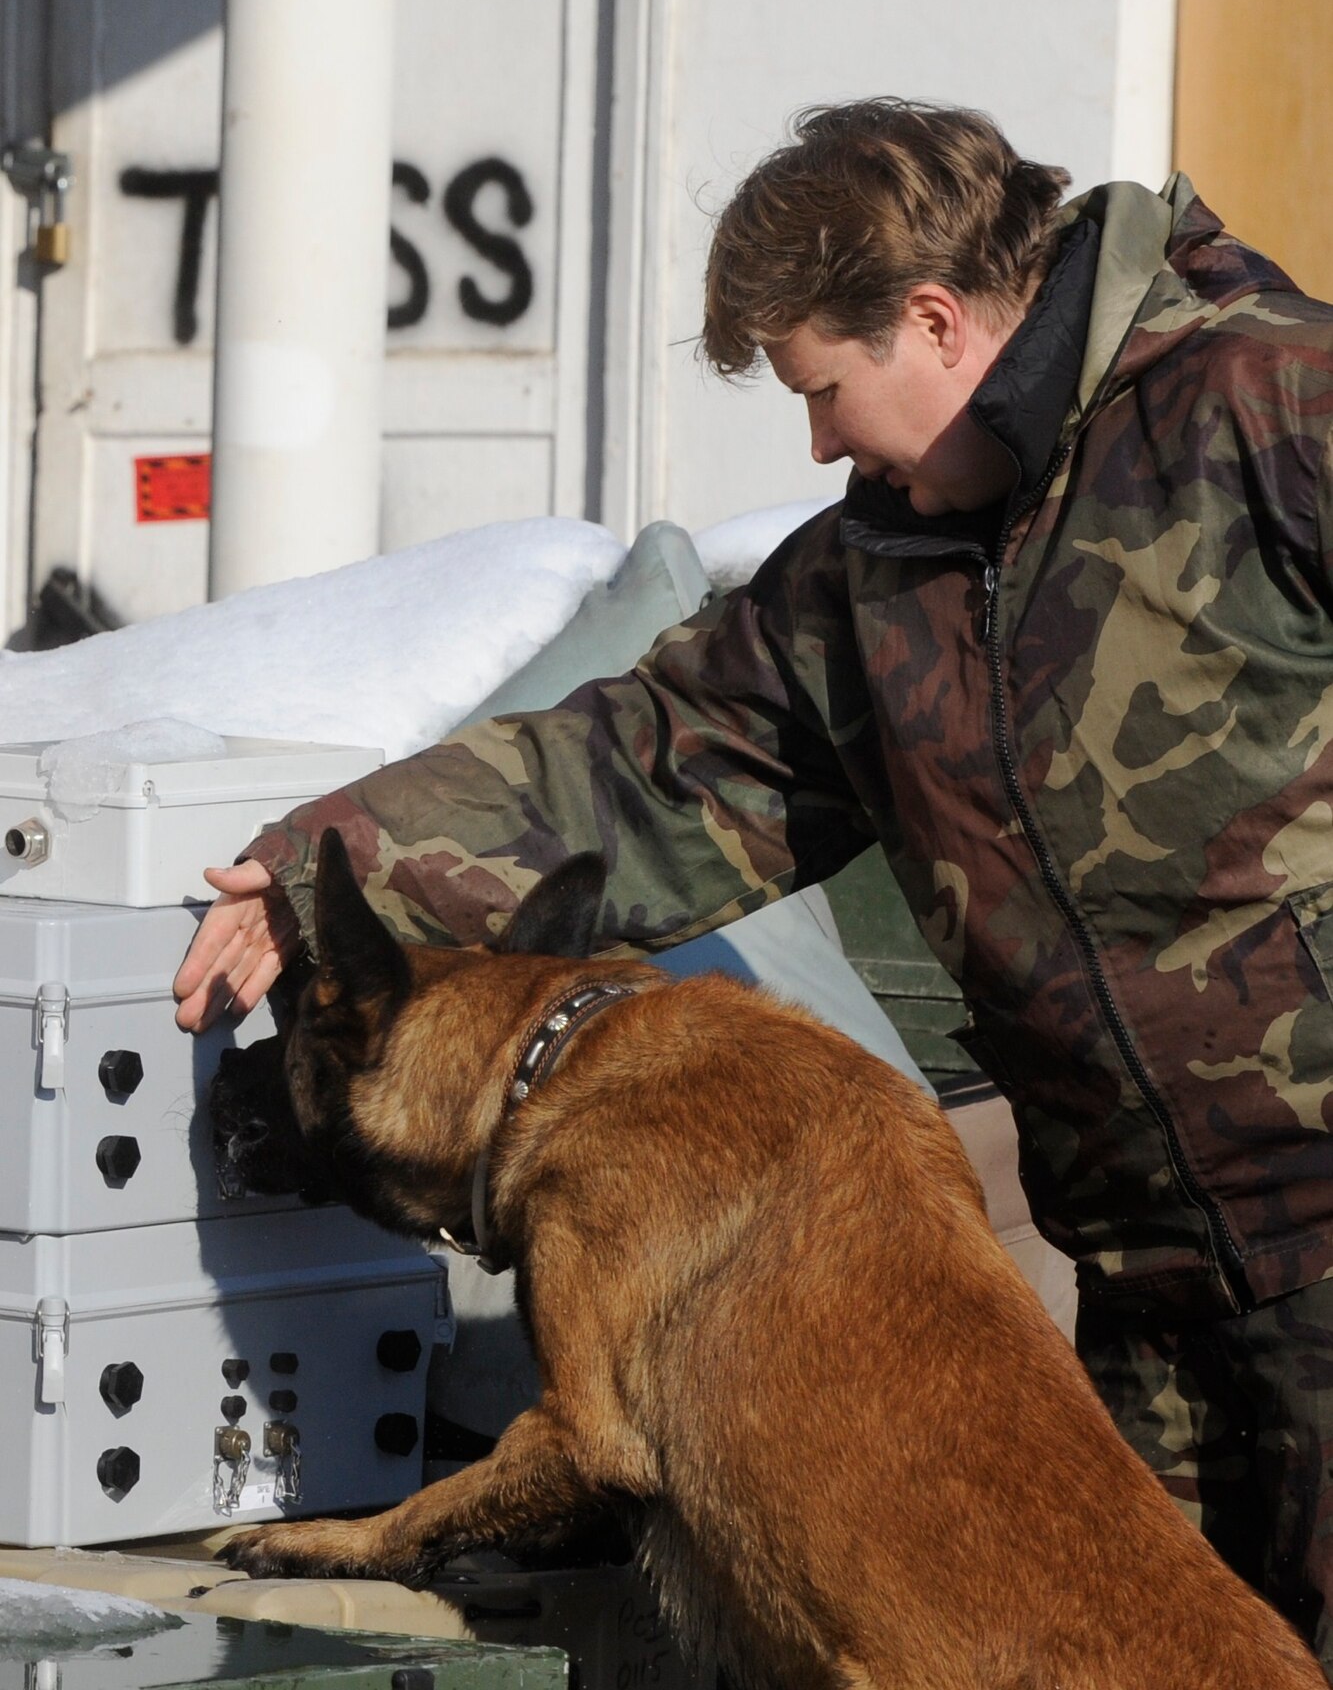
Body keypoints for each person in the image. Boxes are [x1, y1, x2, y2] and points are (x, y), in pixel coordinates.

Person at [175, 97, 1333, 1669]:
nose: (817, 445)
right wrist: (323, 866)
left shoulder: (1266, 408)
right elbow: (657, 757)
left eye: (825, 391)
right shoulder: (875, 575)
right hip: (1152, 1305)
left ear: (933, 321)